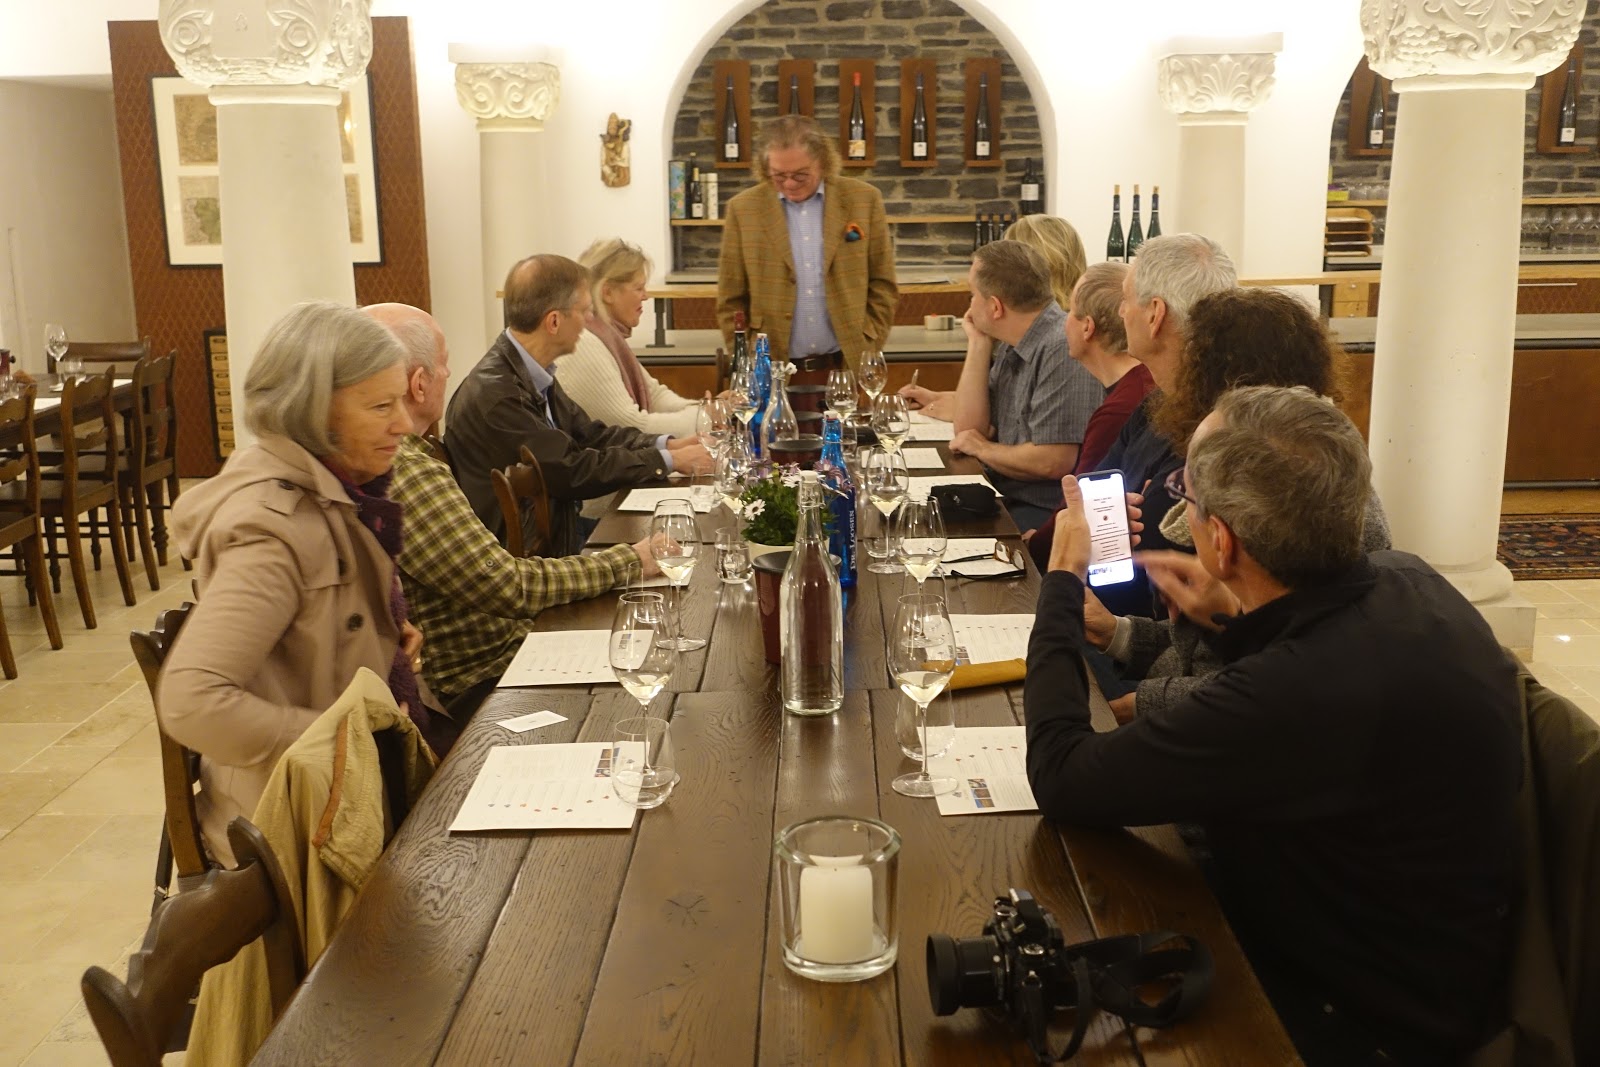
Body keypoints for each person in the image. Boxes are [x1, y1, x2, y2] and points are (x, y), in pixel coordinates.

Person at [1027, 384, 1519, 1066]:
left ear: (1220, 540)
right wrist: (1230, 616)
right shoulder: (1408, 579)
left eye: (1191, 504)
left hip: (1353, 1022)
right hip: (1435, 962)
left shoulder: (1291, 695)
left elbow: (1059, 773)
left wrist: (1059, 579)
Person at [159, 301, 430, 864]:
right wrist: (341, 732)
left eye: (401, 399)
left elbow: (312, 623)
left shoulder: (333, 490)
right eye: (381, 405)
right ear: (312, 416)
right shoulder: (271, 533)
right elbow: (192, 702)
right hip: (296, 829)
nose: (404, 422)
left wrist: (377, 636)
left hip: (335, 799)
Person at [1075, 287, 1388, 720]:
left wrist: (1135, 707)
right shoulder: (1269, 467)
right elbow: (1228, 644)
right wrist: (1117, 634)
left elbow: (1286, 681)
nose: (1174, 383)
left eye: (1187, 361)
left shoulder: (1288, 494)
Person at [365, 303, 664, 720]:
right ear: (419, 384)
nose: (450, 375)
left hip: (508, 647)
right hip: (484, 678)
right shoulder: (407, 470)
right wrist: (630, 560)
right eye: (445, 364)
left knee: (649, 650)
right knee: (651, 679)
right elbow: (507, 585)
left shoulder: (409, 459)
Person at [447, 254, 713, 556]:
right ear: (554, 321)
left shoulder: (530, 371)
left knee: (677, 540)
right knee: (679, 549)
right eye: (584, 311)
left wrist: (667, 445)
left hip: (556, 535)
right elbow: (569, 470)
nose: (590, 321)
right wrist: (664, 461)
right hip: (528, 560)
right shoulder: (498, 394)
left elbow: (592, 434)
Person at [1028, 233, 1236, 613]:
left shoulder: (1216, 430)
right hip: (1104, 614)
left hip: (1138, 637)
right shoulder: (1153, 402)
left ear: (1155, 314)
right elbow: (1087, 499)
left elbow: (1148, 570)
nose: (1120, 313)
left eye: (1126, 300)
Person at [716, 115, 898, 373]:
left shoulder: (864, 200)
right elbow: (730, 297)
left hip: (847, 364)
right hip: (769, 369)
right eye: (779, 176)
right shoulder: (743, 209)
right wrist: (745, 359)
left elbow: (883, 284)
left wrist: (870, 341)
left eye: (801, 175)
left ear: (823, 162)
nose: (789, 184)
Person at [949, 239, 1103, 532]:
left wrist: (982, 448)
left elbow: (1053, 461)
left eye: (972, 295)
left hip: (1048, 512)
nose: (969, 306)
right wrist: (979, 344)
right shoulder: (1014, 341)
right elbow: (968, 429)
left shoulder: (1060, 347)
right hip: (1008, 496)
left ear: (995, 306)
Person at [901, 214, 1089, 421]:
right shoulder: (1022, 331)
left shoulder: (1060, 343)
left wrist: (960, 413)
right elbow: (1006, 401)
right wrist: (940, 398)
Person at [553, 238, 701, 438]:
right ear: (608, 292)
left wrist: (705, 409)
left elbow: (654, 394)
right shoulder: (584, 342)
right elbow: (631, 426)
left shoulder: (606, 335)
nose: (645, 296)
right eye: (638, 288)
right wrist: (705, 419)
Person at [1063, 261, 1154, 474]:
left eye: (1070, 310)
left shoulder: (1118, 412)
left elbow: (1081, 500)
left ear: (1087, 327)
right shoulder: (1144, 379)